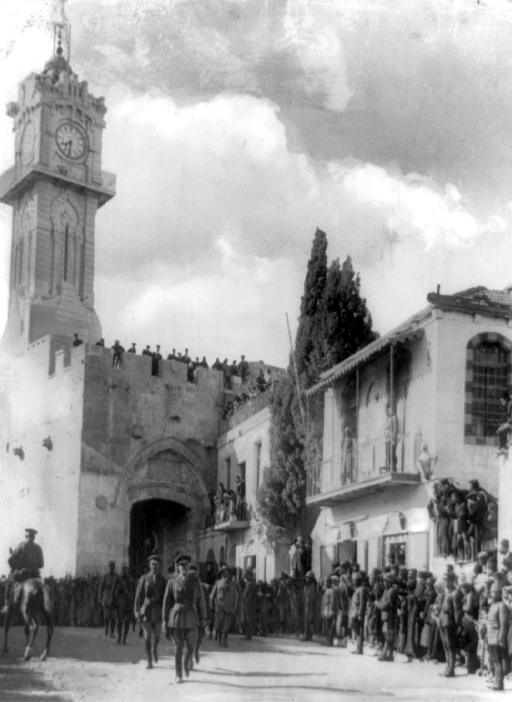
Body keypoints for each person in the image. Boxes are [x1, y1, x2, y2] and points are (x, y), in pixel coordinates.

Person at [162, 555, 207, 684]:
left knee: (191, 647)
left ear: (188, 566)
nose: (184, 568)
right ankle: (178, 673)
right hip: (176, 618)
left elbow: (201, 600)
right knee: (178, 648)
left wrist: (203, 617)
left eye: (186, 565)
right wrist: (165, 619)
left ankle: (187, 662)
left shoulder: (195, 581)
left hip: (192, 617)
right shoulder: (172, 581)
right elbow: (167, 601)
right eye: (182, 565)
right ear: (178, 567)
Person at [134, 555, 167, 669]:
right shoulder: (144, 578)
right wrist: (136, 611)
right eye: (152, 564)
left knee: (157, 636)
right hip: (146, 610)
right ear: (149, 565)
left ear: (159, 566)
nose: (154, 566)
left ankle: (154, 649)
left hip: (157, 610)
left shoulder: (163, 579)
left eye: (156, 564)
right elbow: (138, 596)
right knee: (147, 636)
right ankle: (149, 660)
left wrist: (165, 612)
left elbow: (166, 597)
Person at [2, 528, 44, 612]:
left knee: (10, 582)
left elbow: (10, 560)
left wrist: (15, 569)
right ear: (34, 537)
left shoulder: (21, 545)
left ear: (26, 536)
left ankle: (7, 605)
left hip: (23, 573)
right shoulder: (39, 547)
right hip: (35, 574)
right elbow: (41, 564)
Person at [438, 571, 462, 677]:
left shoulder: (455, 593)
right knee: (446, 646)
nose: (444, 582)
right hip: (443, 622)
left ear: (452, 581)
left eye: (446, 580)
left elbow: (457, 610)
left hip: (450, 623)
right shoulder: (447, 592)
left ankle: (451, 669)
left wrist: (457, 624)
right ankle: (447, 667)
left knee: (450, 646)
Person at [210, 565, 237, 648]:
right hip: (219, 606)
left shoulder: (233, 584)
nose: (227, 575)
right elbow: (212, 595)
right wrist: (211, 605)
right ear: (223, 574)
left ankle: (225, 641)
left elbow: (235, 596)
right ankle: (219, 639)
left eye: (229, 573)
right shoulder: (218, 583)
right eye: (225, 573)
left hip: (229, 607)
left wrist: (234, 607)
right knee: (219, 624)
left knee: (227, 625)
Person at [111, 564, 135, 645]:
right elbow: (113, 589)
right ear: (121, 569)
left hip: (129, 602)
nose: (124, 570)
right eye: (123, 569)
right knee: (119, 621)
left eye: (126, 569)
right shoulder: (118, 579)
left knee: (127, 621)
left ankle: (124, 638)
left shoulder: (131, 579)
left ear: (128, 569)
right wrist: (113, 601)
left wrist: (134, 602)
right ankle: (119, 637)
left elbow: (135, 591)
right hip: (120, 602)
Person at [98, 561, 118, 638]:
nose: (112, 568)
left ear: (114, 567)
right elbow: (101, 587)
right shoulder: (105, 576)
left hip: (114, 598)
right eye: (111, 566)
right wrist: (99, 597)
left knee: (113, 617)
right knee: (107, 616)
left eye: (113, 566)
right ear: (109, 567)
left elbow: (120, 586)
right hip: (106, 597)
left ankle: (112, 632)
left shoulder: (117, 576)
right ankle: (106, 628)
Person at [240, 570, 258, 640]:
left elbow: (249, 595)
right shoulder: (250, 583)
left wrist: (246, 601)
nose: (246, 576)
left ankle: (248, 635)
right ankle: (248, 635)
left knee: (248, 619)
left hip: (248, 604)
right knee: (247, 619)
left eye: (247, 575)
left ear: (250, 575)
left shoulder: (251, 583)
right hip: (248, 603)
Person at [384, 404, 399, 471]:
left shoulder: (394, 417)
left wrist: (393, 439)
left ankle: (393, 468)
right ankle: (390, 467)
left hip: (391, 439)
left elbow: (395, 429)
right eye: (385, 411)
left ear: (390, 409)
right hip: (387, 440)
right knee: (387, 454)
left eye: (387, 410)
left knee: (391, 454)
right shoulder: (388, 419)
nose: (386, 412)